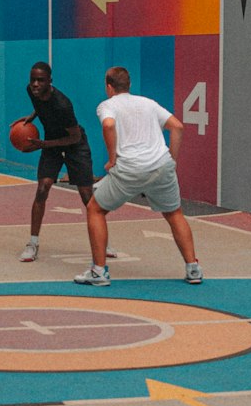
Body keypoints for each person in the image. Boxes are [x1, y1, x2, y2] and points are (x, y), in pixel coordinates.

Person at [74, 65, 202, 288]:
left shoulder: (107, 105)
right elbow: (177, 127)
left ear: (109, 86)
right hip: (161, 166)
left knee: (95, 209)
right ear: (129, 85)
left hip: (130, 169)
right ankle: (193, 268)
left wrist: (112, 158)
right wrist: (172, 159)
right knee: (174, 213)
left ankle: (99, 271)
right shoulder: (148, 103)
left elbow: (108, 124)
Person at [17, 61, 115, 264]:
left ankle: (103, 241)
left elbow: (74, 137)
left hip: (74, 145)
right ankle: (33, 243)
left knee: (87, 195)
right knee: (43, 188)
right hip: (51, 143)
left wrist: (44, 144)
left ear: (50, 82)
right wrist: (32, 117)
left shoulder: (63, 104)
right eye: (33, 80)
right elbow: (40, 106)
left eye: (40, 80)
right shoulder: (31, 91)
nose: (35, 84)